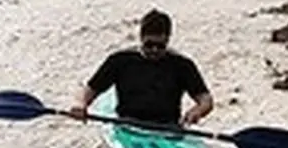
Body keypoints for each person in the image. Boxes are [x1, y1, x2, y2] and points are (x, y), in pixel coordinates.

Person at [69, 9, 213, 128]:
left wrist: (198, 111)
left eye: (160, 46)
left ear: (168, 40)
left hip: (167, 127)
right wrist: (80, 104)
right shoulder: (120, 60)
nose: (154, 50)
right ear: (141, 38)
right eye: (149, 45)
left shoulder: (182, 65)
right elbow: (89, 90)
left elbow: (206, 99)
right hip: (127, 125)